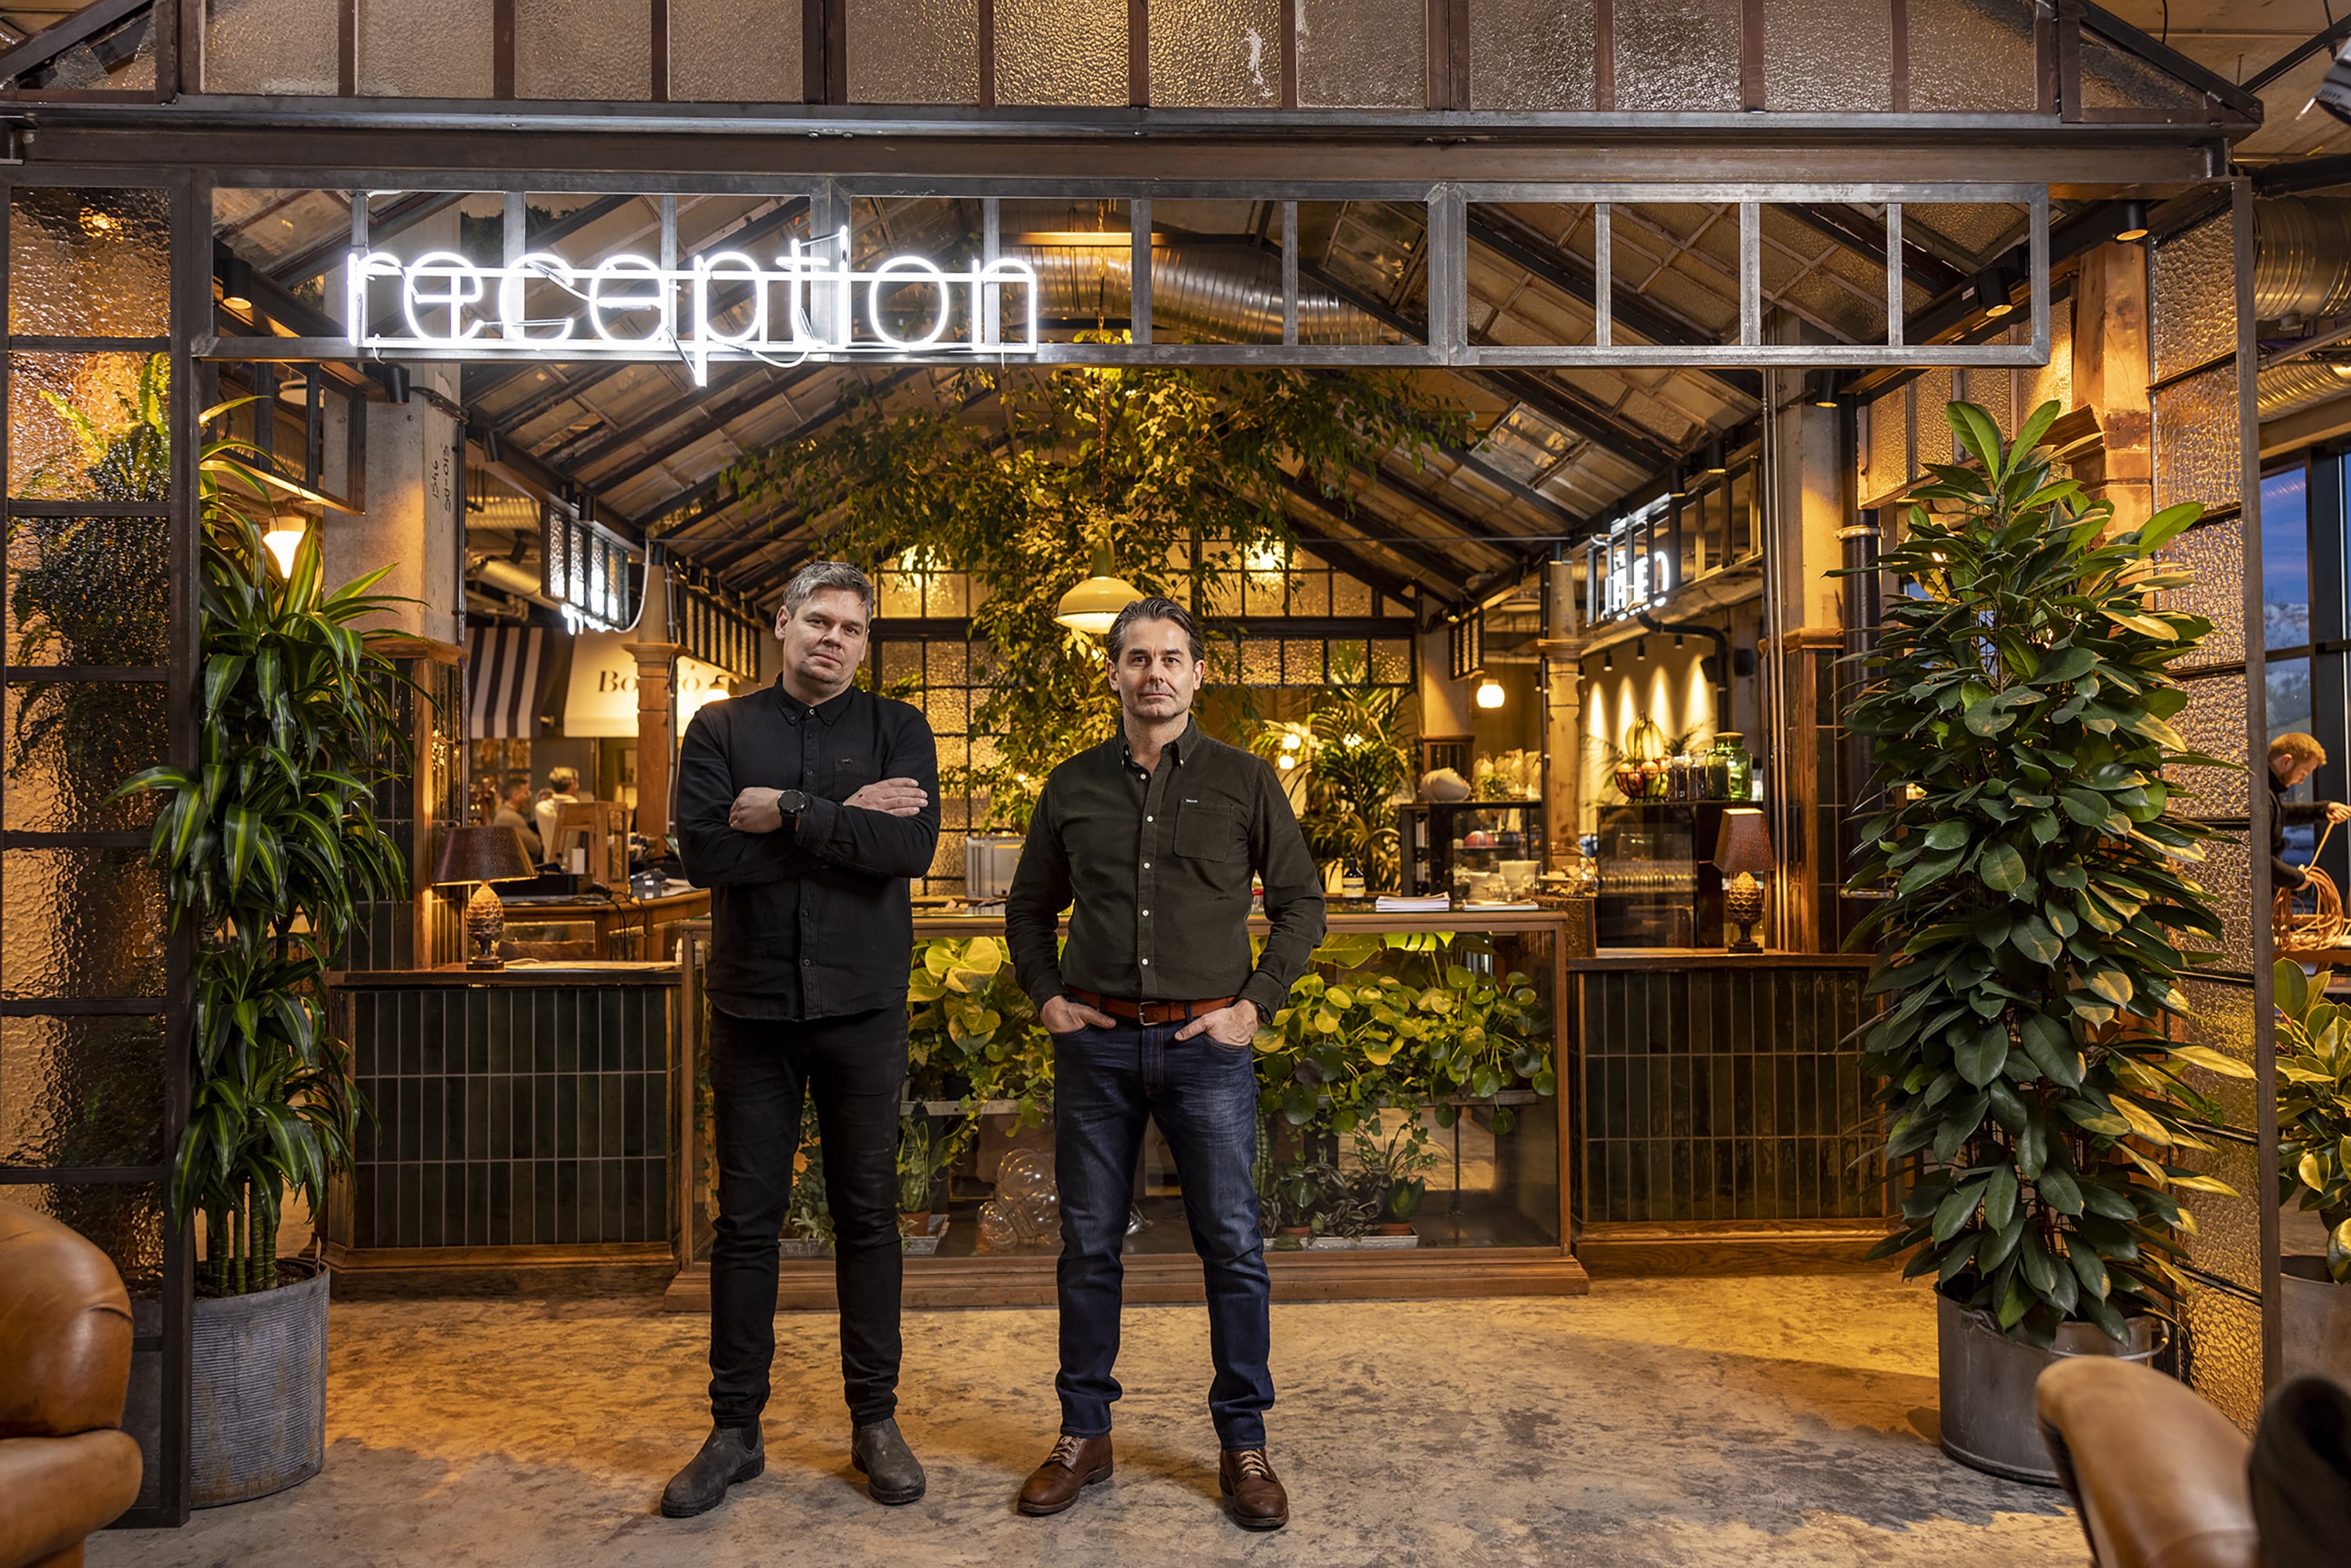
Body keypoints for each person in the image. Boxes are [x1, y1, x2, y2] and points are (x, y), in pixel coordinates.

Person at [1003, 596, 1325, 1532]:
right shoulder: (1071, 785)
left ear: (1196, 674)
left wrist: (1253, 1007)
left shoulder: (1245, 780)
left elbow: (1302, 903)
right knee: (1088, 1247)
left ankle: (1243, 1441)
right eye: (1138, 657)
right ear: (1112, 673)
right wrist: (1047, 997)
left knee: (1233, 1247)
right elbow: (1028, 909)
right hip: (1096, 1048)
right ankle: (1084, 1434)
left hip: (1205, 1049)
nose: (1155, 673)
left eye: (1171, 657)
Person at [662, 560, 940, 1517]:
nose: (834, 639)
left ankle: (875, 1422)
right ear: (783, 624)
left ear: (865, 643)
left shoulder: (899, 729)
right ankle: (734, 1431)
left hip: (864, 1010)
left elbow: (908, 851)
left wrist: (786, 810)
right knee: (746, 1227)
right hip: (754, 1013)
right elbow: (707, 854)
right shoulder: (720, 729)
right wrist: (845, 825)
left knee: (869, 1218)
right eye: (819, 621)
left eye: (852, 629)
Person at [2268, 733, 2351, 893]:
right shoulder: (2263, 797)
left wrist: (2324, 810)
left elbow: (2281, 814)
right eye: (2304, 773)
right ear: (2286, 762)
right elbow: (2259, 860)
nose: (2301, 781)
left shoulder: (2265, 793)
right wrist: (2297, 879)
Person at [491, 779, 544, 864]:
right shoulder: (509, 818)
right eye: (526, 793)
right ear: (516, 795)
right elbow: (535, 847)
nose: (528, 797)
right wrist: (537, 838)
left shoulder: (505, 814)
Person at [534, 766, 581, 853]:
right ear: (573, 783)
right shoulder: (580, 809)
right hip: (576, 860)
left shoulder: (540, 808)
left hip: (549, 860)